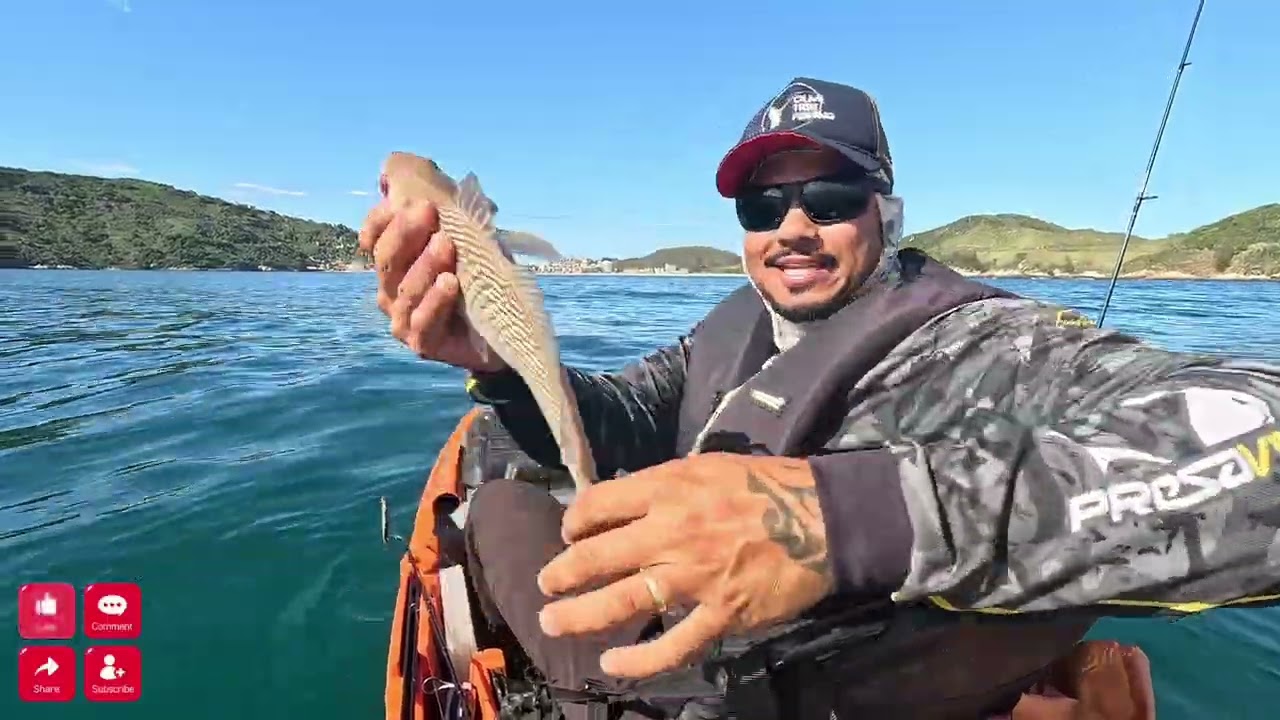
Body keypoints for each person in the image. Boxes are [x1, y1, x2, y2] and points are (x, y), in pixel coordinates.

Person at [359, 76, 1280, 718]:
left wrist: (849, 517)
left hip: (809, 688)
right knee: (506, 489)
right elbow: (628, 421)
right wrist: (497, 360)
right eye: (762, 209)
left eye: (830, 196)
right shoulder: (730, 325)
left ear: (888, 209)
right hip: (689, 639)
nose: (792, 227)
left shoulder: (990, 344)